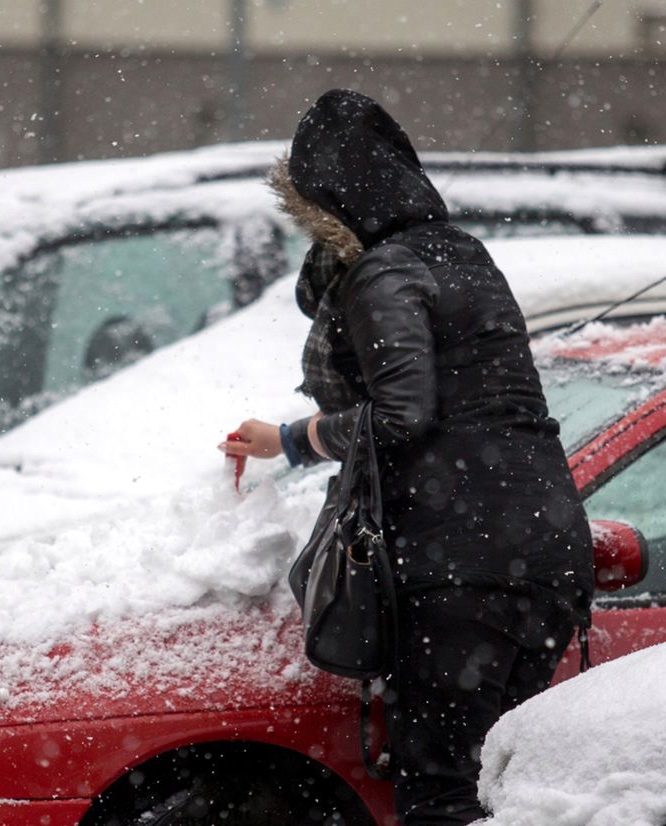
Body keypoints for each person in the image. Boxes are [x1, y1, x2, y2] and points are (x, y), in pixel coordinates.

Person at [219, 89, 595, 824]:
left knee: (441, 791)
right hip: (546, 553)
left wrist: (292, 440)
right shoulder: (465, 255)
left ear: (330, 207)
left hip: (462, 566)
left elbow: (402, 413)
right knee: (500, 783)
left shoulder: (383, 271)